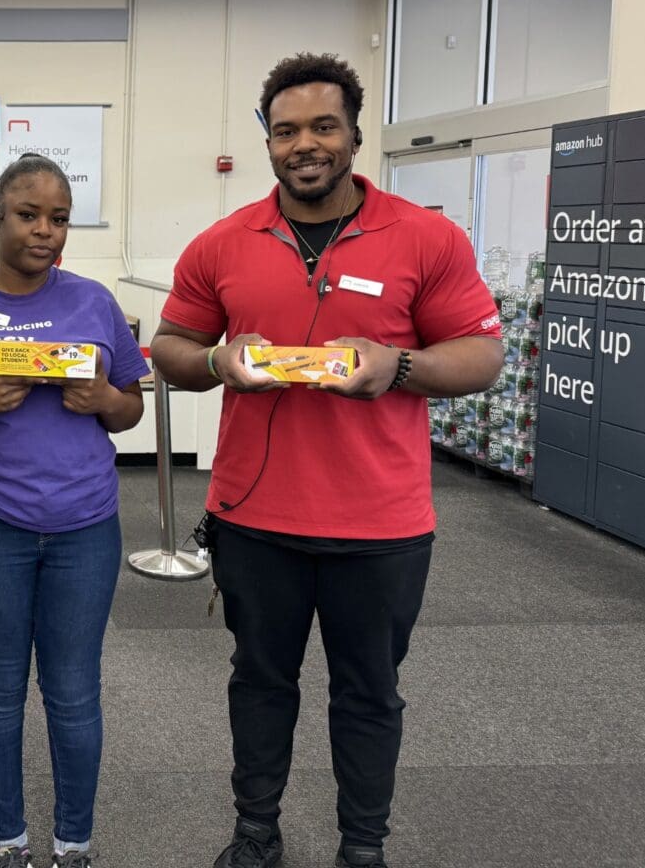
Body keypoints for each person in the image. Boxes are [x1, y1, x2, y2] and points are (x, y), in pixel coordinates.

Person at [151, 53, 504, 868]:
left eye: (322, 127)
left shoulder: (426, 236)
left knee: (370, 695)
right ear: (266, 141)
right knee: (260, 684)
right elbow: (171, 347)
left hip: (380, 525)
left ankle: (363, 847)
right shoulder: (222, 244)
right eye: (285, 130)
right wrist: (216, 364)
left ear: (352, 134)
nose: (304, 144)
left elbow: (482, 356)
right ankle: (256, 832)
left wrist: (397, 367)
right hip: (254, 520)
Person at [0, 153, 149, 868]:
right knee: (0, 689)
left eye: (60, 218)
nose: (45, 231)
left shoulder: (94, 304)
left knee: (74, 692)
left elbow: (130, 407)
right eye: (28, 215)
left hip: (85, 529)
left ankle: (74, 842)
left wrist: (106, 401)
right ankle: (8, 840)